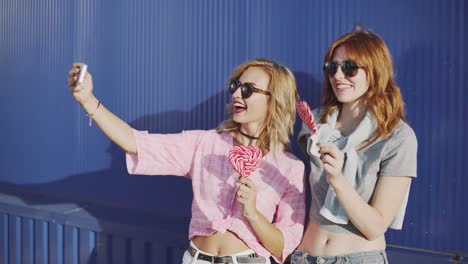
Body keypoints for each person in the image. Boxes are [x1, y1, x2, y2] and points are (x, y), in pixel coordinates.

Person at [68, 58, 305, 264]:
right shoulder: (205, 143)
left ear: (274, 100)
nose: (235, 94)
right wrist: (88, 100)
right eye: (235, 86)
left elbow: (283, 246)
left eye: (248, 90)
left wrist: (253, 213)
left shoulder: (289, 168)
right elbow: (135, 142)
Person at [293, 30, 417, 263]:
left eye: (350, 67)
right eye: (332, 67)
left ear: (375, 71)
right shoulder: (316, 124)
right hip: (306, 256)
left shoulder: (398, 137)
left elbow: (375, 226)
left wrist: (338, 179)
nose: (338, 75)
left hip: (358, 257)